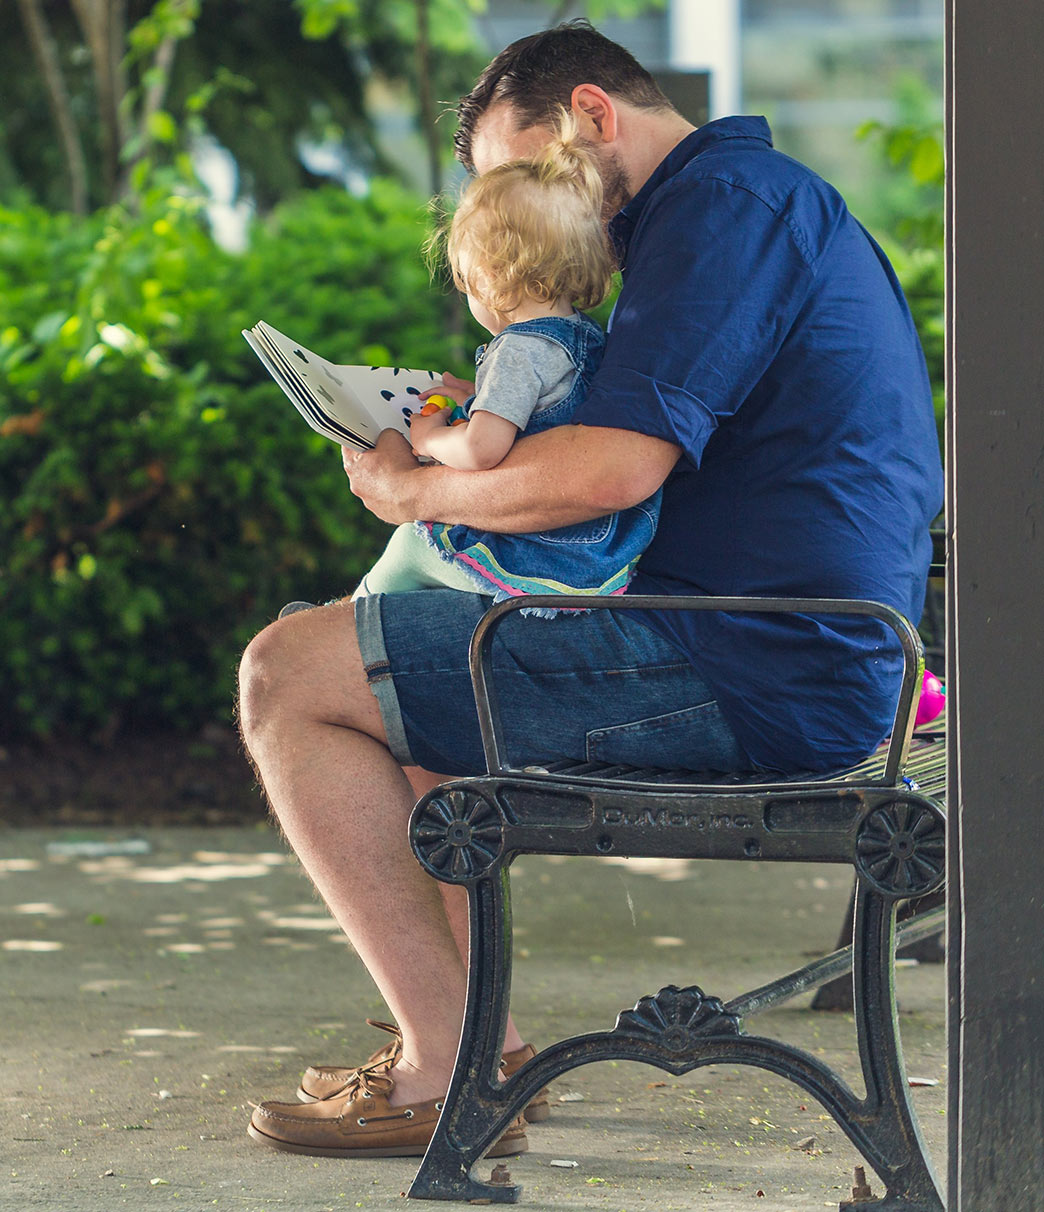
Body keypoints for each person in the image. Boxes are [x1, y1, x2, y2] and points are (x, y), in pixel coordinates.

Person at [238, 21, 943, 1159]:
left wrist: (415, 494)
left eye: (526, 172)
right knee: (404, 688)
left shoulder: (723, 212)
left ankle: (436, 1071)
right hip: (775, 646)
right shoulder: (727, 207)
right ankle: (483, 1054)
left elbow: (613, 471)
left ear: (590, 117)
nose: (528, 210)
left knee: (287, 673)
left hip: (754, 665)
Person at [355, 111, 659, 607]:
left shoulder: (517, 351)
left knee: (415, 540)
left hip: (544, 559)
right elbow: (541, 413)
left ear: (489, 276)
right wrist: (479, 398)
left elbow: (481, 451)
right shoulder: (583, 338)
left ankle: (350, 613)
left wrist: (432, 436)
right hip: (602, 555)